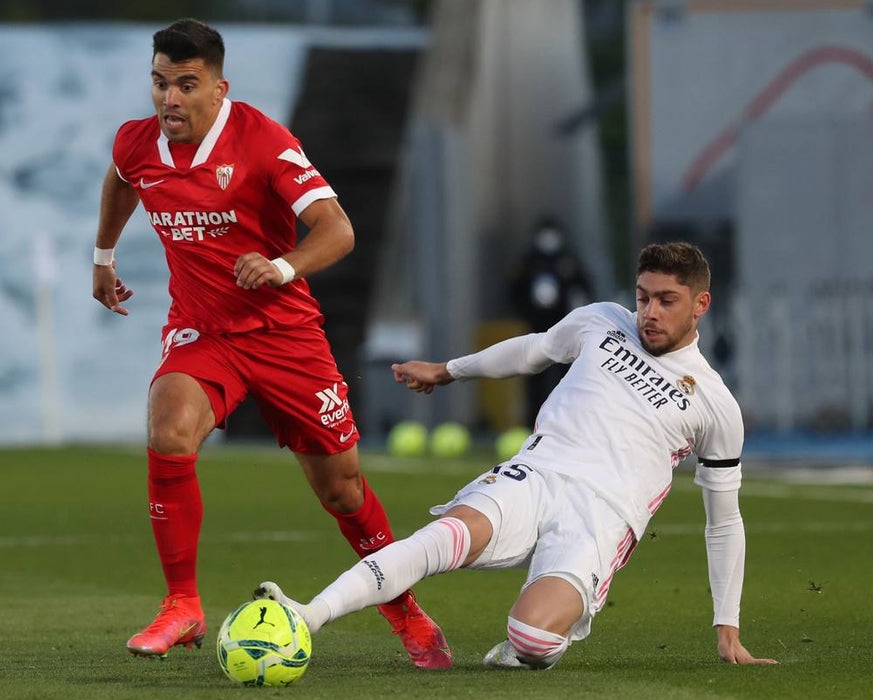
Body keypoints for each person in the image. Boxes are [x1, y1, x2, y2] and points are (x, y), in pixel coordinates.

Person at [90, 18, 450, 668]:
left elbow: (337, 230)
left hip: (286, 337)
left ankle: (406, 612)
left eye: (186, 85)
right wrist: (102, 257)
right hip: (204, 332)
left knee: (342, 491)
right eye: (160, 82)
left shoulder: (262, 141)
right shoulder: (137, 143)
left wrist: (282, 265)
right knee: (169, 429)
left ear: (219, 88)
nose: (169, 99)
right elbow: (121, 179)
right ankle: (182, 604)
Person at [256, 242, 777, 669]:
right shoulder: (601, 320)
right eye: (642, 298)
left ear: (700, 305)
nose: (649, 313)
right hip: (537, 473)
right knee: (440, 539)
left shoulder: (715, 404)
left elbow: (724, 523)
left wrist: (726, 627)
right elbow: (534, 350)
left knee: (530, 640)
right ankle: (308, 615)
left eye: (666, 301)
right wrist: (448, 370)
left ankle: (537, 637)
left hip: (601, 516)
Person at [510, 215, 593, 419]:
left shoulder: (569, 259)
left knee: (566, 375)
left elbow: (584, 287)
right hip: (536, 325)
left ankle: (566, 417)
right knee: (534, 374)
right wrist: (525, 314)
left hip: (564, 326)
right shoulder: (528, 261)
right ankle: (533, 419)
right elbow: (515, 291)